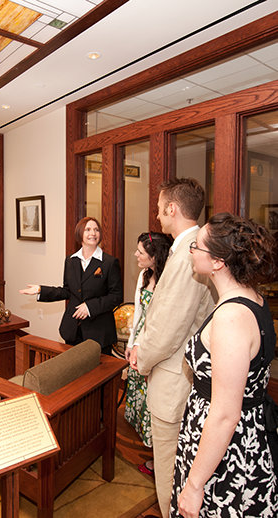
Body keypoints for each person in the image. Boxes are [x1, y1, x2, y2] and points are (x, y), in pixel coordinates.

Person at [169, 213, 277, 518]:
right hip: (232, 438)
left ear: (218, 262)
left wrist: (194, 486)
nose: (191, 251)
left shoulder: (231, 318)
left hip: (226, 454)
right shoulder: (252, 298)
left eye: (197, 246)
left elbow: (226, 415)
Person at [129, 178, 215, 517]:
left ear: (172, 208)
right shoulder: (190, 248)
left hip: (173, 379)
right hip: (181, 375)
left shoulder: (187, 255)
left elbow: (168, 327)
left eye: (159, 209)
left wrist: (142, 359)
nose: (157, 215)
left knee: (169, 472)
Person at [20, 216, 123, 354]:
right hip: (73, 330)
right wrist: (41, 290)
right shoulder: (70, 260)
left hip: (99, 333)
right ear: (80, 233)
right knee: (72, 367)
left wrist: (89, 307)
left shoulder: (109, 262)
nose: (93, 233)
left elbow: (116, 296)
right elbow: (67, 291)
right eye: (88, 229)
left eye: (96, 230)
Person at [124, 231, 172, 461]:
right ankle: (144, 440)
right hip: (139, 341)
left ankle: (157, 448)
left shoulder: (168, 279)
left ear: (155, 256)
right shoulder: (144, 275)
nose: (136, 255)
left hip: (156, 340)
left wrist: (143, 343)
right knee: (138, 389)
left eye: (140, 252)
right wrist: (131, 343)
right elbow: (138, 313)